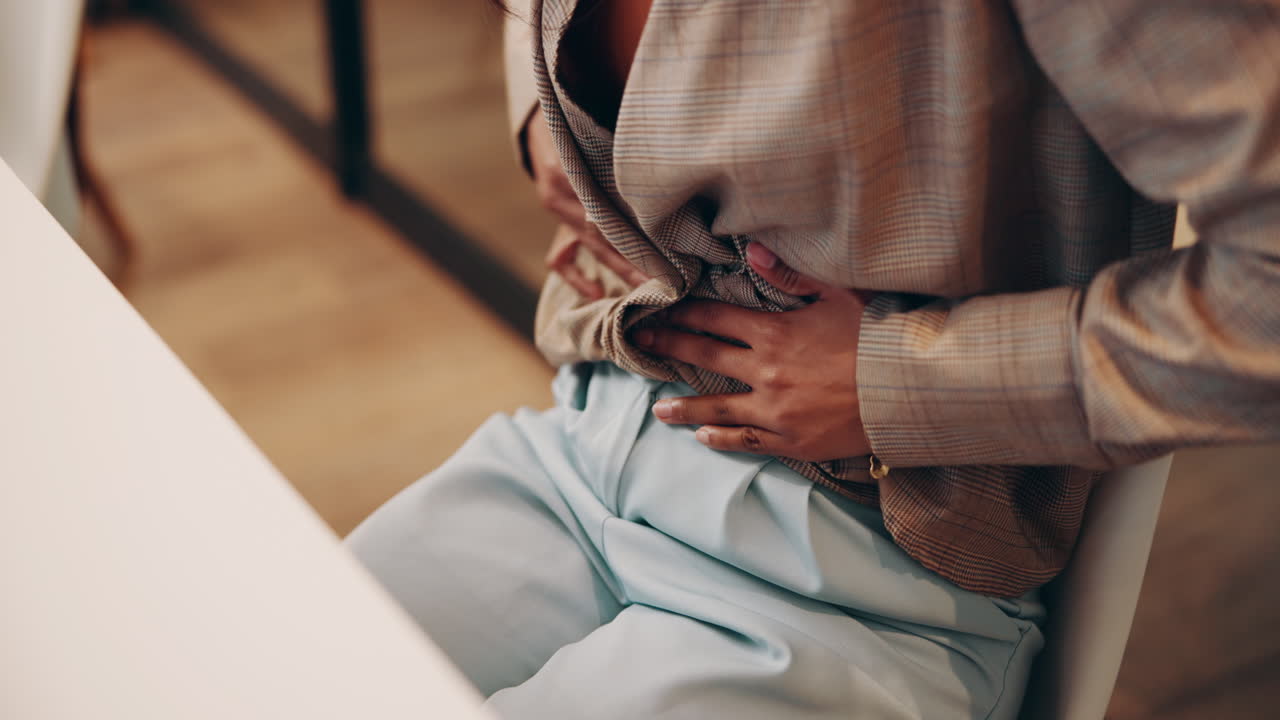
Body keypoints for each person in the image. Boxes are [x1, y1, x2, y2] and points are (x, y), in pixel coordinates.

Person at [347, 1, 1280, 717]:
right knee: (258, 662)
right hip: (587, 442)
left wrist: (899, 383)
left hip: (858, 582)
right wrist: (542, 109)